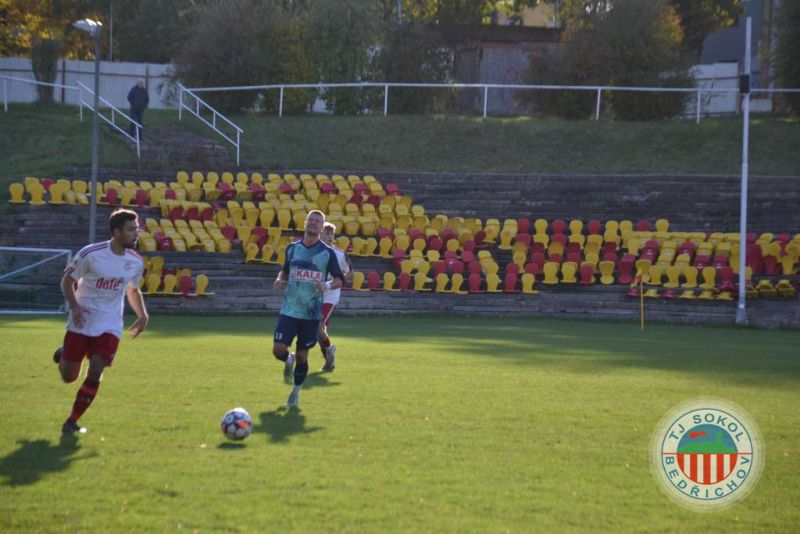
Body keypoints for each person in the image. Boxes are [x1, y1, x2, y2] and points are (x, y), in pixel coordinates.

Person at [52, 209, 149, 434]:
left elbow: (133, 290)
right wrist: (75, 307)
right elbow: (67, 281)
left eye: (137, 229)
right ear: (116, 232)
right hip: (82, 320)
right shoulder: (91, 253)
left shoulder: (135, 261)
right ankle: (64, 353)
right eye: (131, 229)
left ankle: (72, 421)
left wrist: (143, 316)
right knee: (69, 377)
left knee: (96, 370)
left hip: (110, 324)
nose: (136, 234)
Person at [273, 210, 345, 407]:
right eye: (310, 220)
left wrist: (327, 285)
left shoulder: (327, 253)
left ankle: (295, 392)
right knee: (278, 350)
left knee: (303, 356)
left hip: (311, 314)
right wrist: (280, 279)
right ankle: (288, 359)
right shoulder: (292, 248)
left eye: (317, 222)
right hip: (289, 309)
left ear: (322, 228)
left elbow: (340, 279)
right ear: (305, 223)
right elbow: (285, 270)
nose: (313, 224)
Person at [318, 222, 353, 372]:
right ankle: (329, 361)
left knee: (317, 326)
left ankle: (329, 348)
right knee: (320, 331)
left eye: (332, 234)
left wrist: (332, 283)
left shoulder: (340, 254)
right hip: (313, 295)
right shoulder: (312, 252)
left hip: (330, 296)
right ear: (319, 234)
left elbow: (350, 274)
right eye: (326, 233)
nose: (330, 236)